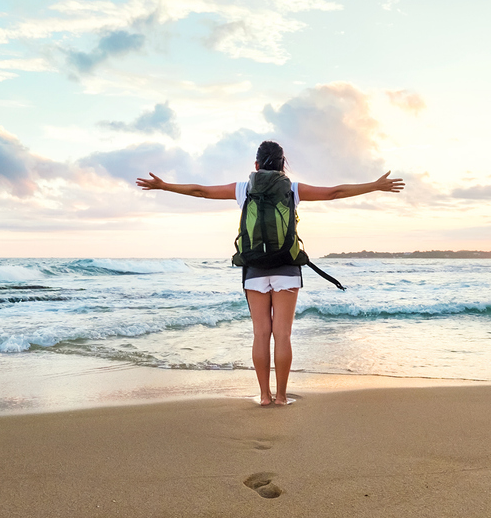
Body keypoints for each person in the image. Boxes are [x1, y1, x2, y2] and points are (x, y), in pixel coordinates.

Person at [136, 141, 405, 406]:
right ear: (282, 166)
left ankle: (264, 396)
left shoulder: (243, 189)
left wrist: (164, 186)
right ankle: (281, 396)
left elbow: (201, 191)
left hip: (254, 269)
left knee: (261, 334)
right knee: (283, 335)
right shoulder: (293, 189)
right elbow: (334, 192)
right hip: (286, 269)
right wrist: (374, 185)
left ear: (255, 165)